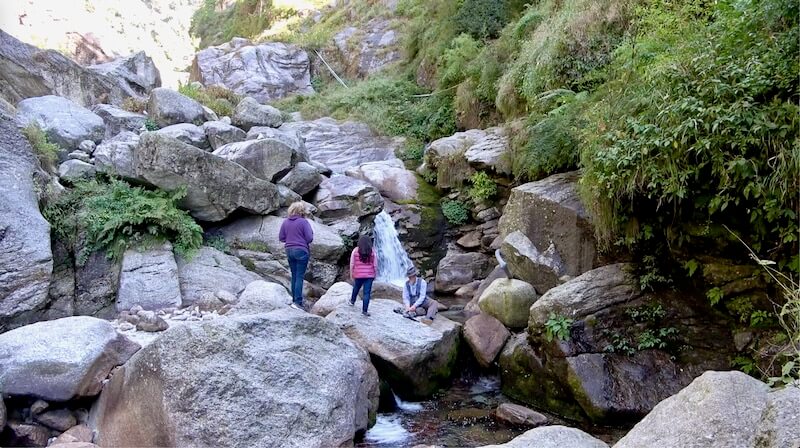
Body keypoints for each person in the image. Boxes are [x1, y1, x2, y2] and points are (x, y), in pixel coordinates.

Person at [279, 202, 313, 310]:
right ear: (302, 211)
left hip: (289, 250)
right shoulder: (304, 222)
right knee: (299, 276)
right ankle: (298, 302)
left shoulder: (285, 222)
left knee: (294, 275)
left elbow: (281, 237)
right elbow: (309, 238)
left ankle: (294, 299)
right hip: (301, 250)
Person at [349, 235, 377, 316]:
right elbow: (375, 265)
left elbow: (352, 264)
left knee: (356, 288)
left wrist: (351, 274)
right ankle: (364, 311)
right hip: (369, 276)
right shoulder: (372, 252)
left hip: (358, 274)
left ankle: (352, 301)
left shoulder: (355, 251)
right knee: (366, 293)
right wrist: (375, 274)